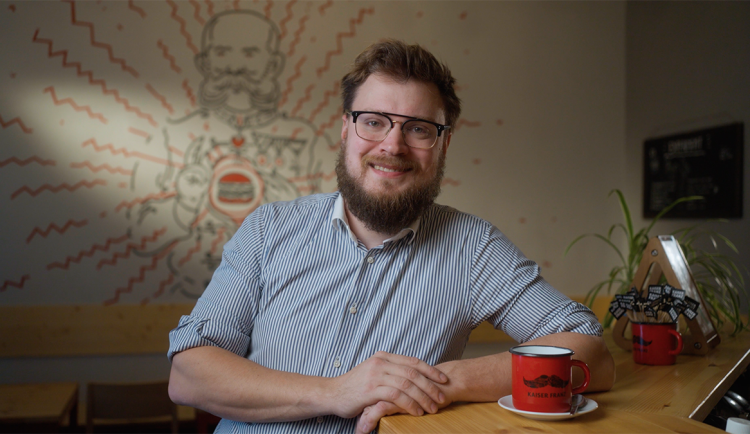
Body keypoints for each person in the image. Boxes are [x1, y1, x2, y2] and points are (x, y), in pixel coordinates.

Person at [167, 39, 615, 434]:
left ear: (443, 144)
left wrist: (442, 383)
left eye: (418, 128)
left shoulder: (473, 248)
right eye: (374, 121)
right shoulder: (268, 230)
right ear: (346, 128)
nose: (393, 145)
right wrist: (337, 392)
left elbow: (590, 354)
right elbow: (188, 374)